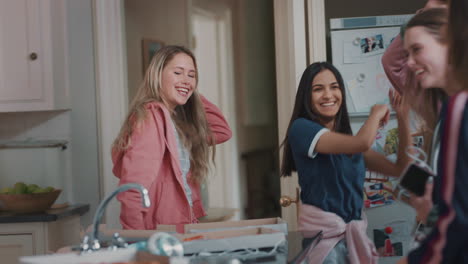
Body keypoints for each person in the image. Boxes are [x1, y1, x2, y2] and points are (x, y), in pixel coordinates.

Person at [280, 62, 411, 263]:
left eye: (334, 87)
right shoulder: (301, 129)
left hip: (351, 243)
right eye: (318, 89)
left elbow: (401, 168)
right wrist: (376, 113)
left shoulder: (349, 145)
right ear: (306, 96)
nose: (328, 95)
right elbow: (362, 142)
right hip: (324, 246)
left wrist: (402, 118)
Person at [111, 45, 232, 230]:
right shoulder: (152, 118)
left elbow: (223, 131)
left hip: (182, 225)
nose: (186, 80)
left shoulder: (176, 122)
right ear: (157, 75)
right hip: (161, 231)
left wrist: (188, 90)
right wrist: (134, 239)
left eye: (191, 75)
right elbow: (134, 187)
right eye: (178, 72)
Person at [397, 1, 468, 263]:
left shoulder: (459, 107)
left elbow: (459, 221)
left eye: (417, 50)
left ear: (451, 42)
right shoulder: (445, 113)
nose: (411, 63)